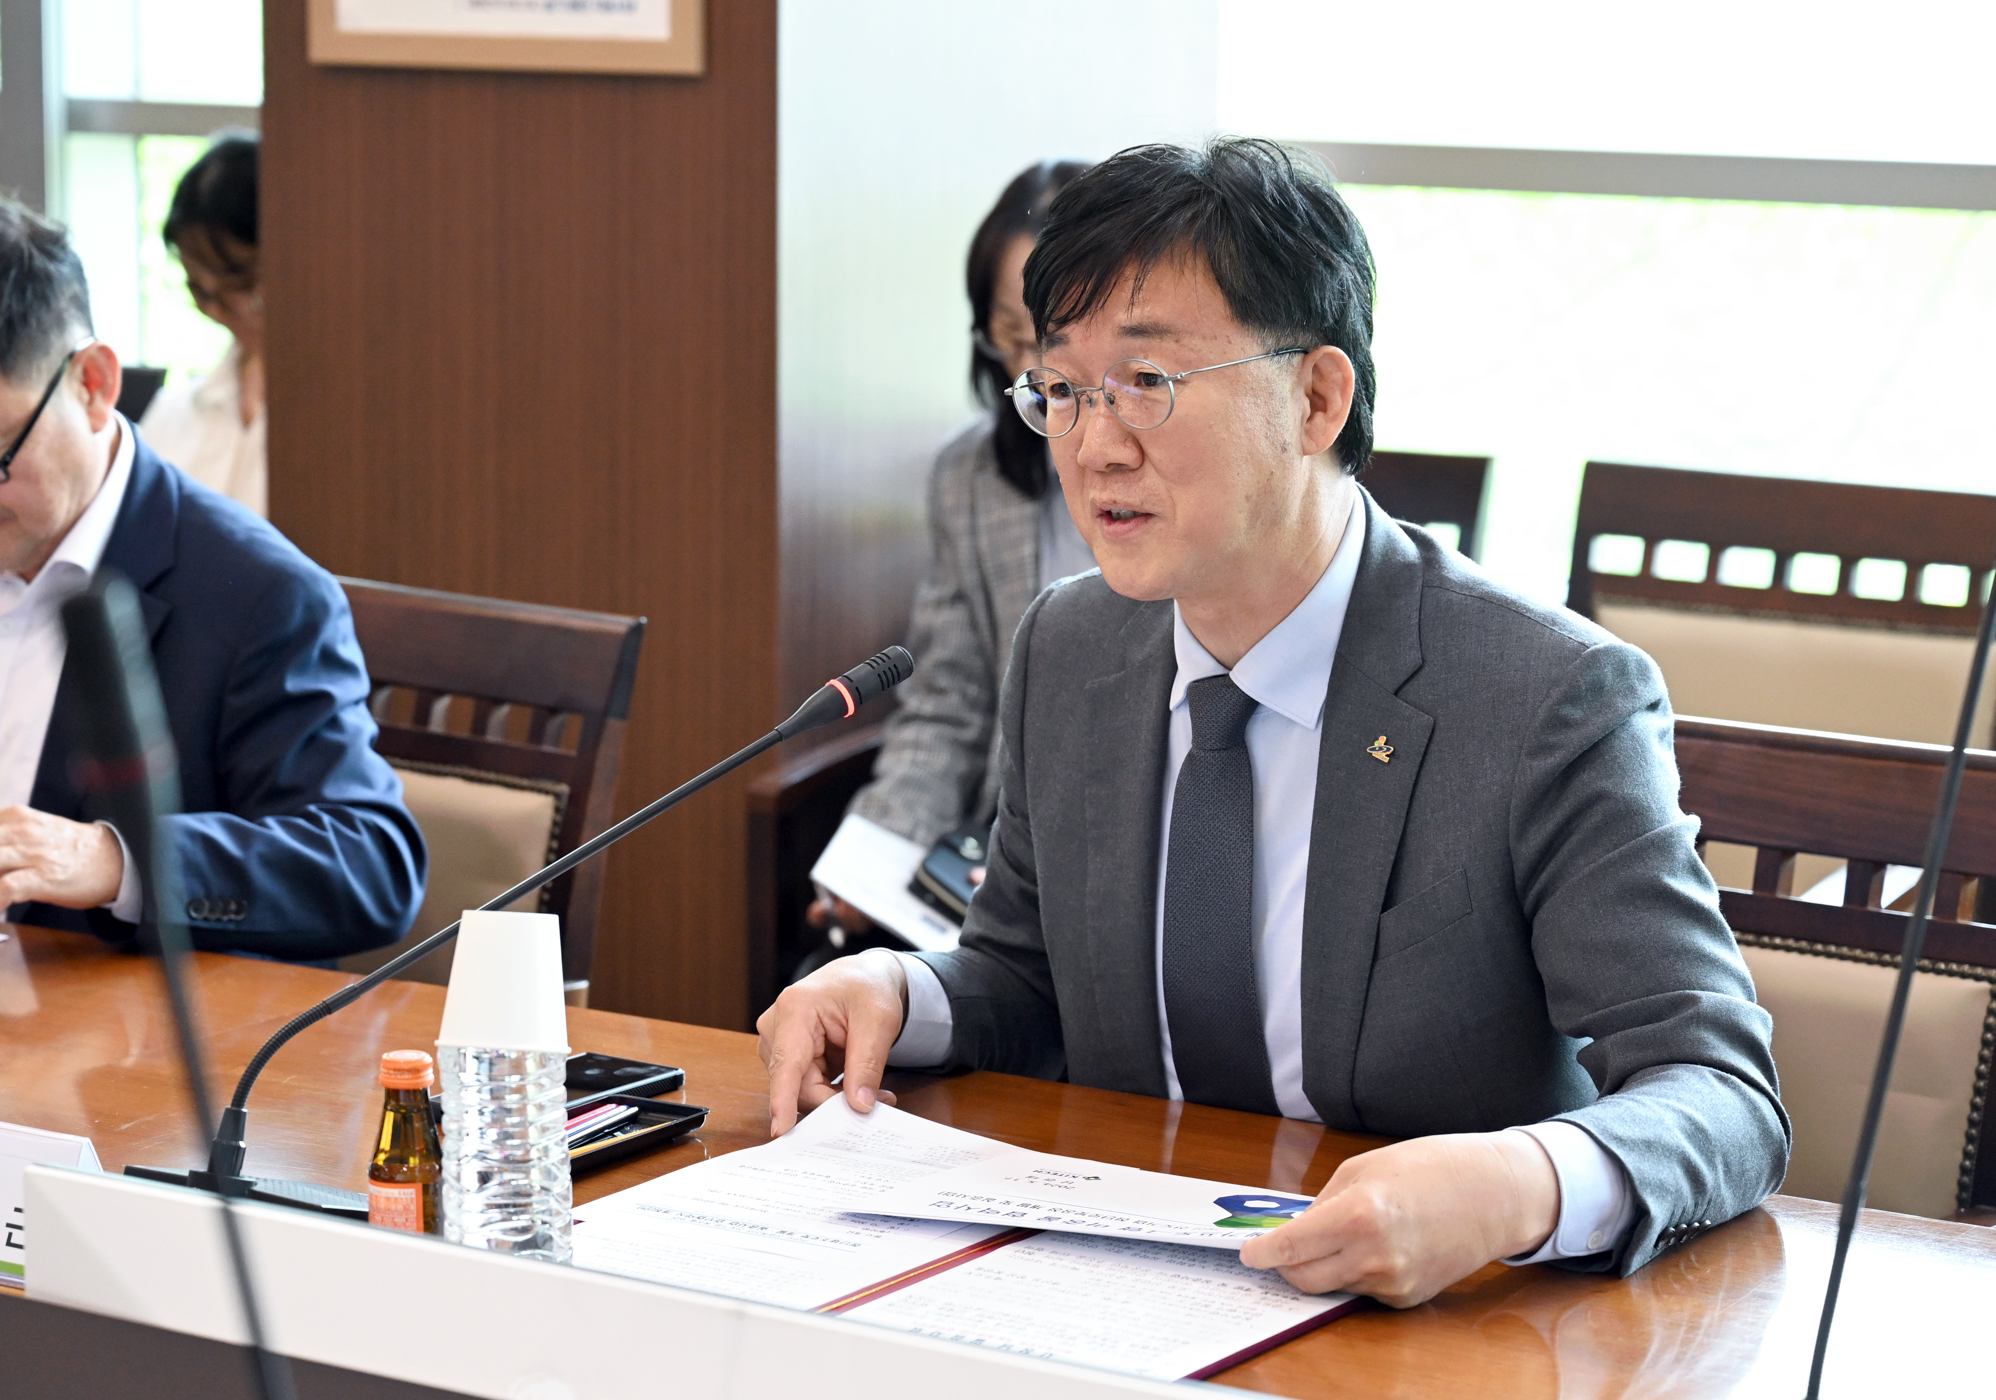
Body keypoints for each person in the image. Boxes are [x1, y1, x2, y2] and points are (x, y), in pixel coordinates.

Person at [758, 139, 1787, 1307]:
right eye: (1063, 387)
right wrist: (903, 992)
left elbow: (1720, 1088)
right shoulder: (1072, 646)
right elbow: (1030, 972)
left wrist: (1519, 1180)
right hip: (1120, 1286)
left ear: (1316, 396)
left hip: (1438, 1326)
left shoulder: (1548, 695)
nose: (1094, 444)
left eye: (1147, 381)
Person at [0, 199, 426, 961]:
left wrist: (115, 860)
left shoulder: (256, 595)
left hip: (109, 1057)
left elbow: (368, 866)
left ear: (93, 384)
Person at [807, 159, 1090, 944]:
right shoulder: (971, 478)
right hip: (990, 860)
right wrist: (874, 856)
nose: (1039, 374)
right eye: (1013, 339)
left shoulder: (1177, 479)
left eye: (1058, 340)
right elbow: (949, 702)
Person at [138, 131, 266, 516]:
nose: (217, 310)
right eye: (198, 287)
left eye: (237, 284)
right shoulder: (175, 414)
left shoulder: (349, 423)